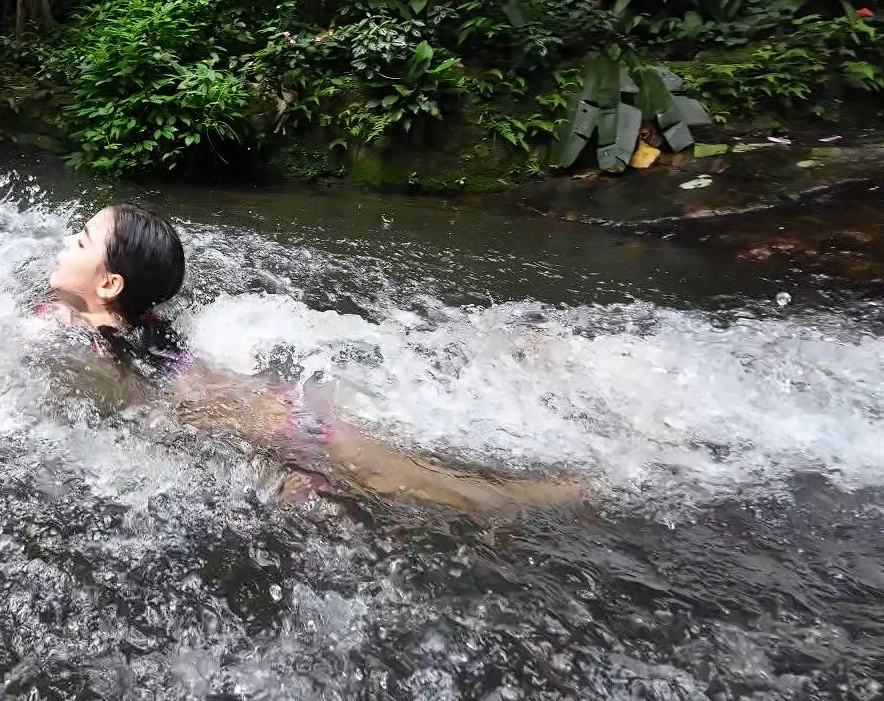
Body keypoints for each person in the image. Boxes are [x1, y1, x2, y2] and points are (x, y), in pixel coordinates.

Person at [38, 201, 583, 518]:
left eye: (81, 241)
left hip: (282, 421)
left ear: (109, 284)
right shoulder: (139, 323)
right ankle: (500, 496)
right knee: (397, 471)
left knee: (397, 477)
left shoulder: (85, 331)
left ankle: (506, 503)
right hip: (276, 411)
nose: (66, 243)